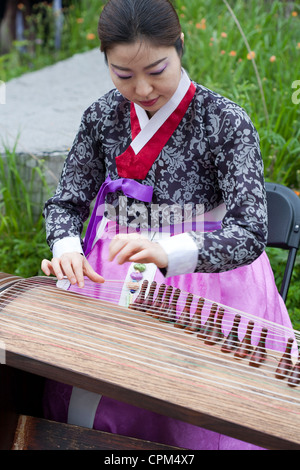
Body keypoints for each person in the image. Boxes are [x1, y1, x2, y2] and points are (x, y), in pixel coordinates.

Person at [41, 0, 294, 450]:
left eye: (157, 70)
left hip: (208, 280)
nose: (142, 88)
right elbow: (65, 202)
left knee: (197, 414)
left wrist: (171, 253)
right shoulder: (102, 117)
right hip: (112, 271)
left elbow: (250, 230)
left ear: (180, 45)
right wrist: (67, 249)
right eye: (123, 75)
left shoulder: (225, 121)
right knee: (100, 402)